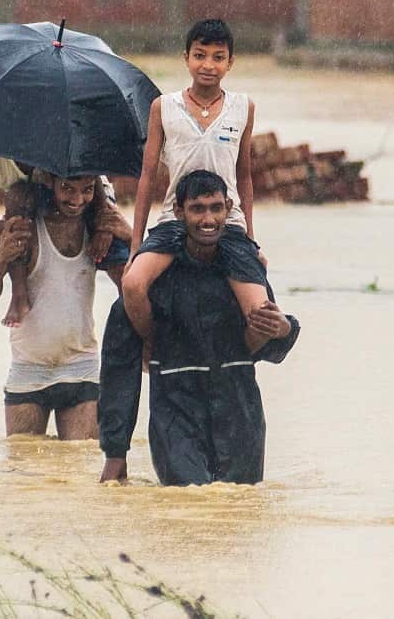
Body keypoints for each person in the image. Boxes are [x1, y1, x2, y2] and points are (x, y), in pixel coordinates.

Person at [98, 170, 300, 486]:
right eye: (198, 209)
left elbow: (270, 350)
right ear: (179, 212)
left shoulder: (243, 273)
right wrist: (115, 451)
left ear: (228, 209)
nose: (208, 219)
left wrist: (284, 329)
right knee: (185, 508)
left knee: (238, 514)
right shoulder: (153, 287)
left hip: (238, 415)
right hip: (176, 416)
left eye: (216, 208)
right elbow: (118, 368)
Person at [121, 18, 268, 366]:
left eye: (218, 57)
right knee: (132, 285)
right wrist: (135, 246)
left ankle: (233, 359)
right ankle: (154, 344)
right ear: (186, 57)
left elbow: (244, 175)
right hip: (175, 219)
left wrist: (250, 236)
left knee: (261, 311)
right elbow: (146, 176)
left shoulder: (243, 107)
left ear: (230, 63)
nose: (208, 65)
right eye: (200, 55)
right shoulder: (163, 107)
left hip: (226, 222)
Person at [0, 173, 131, 439]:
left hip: (82, 368)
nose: (77, 199)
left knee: (80, 471)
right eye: (68, 189)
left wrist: (127, 235)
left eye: (87, 190)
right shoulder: (21, 229)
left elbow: (131, 288)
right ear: (51, 185)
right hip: (28, 370)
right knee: (25, 475)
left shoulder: (96, 231)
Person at [0, 153, 129, 326]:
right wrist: (4, 227)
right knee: (17, 196)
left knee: (116, 255)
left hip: (94, 193)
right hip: (35, 199)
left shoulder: (56, 145)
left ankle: (130, 311)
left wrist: (104, 227)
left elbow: (91, 179)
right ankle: (19, 292)